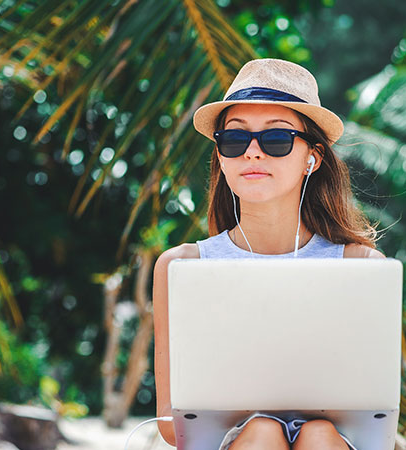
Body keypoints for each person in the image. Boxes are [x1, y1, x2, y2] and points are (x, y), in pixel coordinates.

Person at [153, 58, 384, 450]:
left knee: (318, 435)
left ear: (312, 158)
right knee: (262, 433)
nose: (253, 153)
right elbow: (170, 423)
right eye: (235, 139)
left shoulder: (361, 267)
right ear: (221, 157)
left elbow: (374, 419)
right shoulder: (181, 267)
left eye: (276, 139)